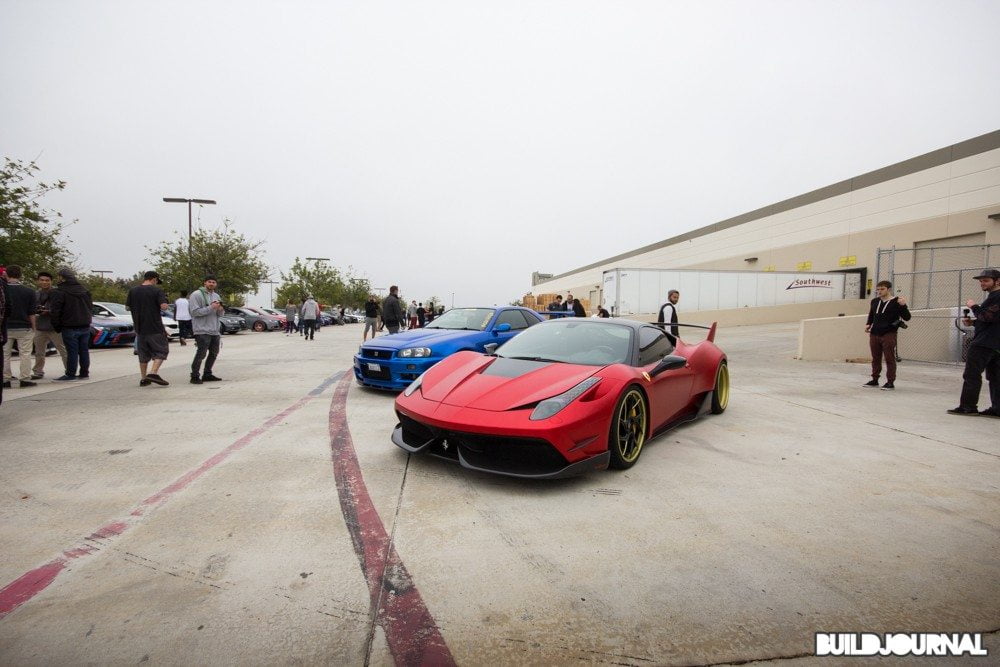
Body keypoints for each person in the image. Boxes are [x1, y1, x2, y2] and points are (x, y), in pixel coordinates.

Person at [948, 268, 1000, 416]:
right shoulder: (993, 296)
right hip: (995, 343)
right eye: (981, 281)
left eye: (986, 280)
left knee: (972, 374)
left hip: (983, 344)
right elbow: (992, 321)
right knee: (995, 377)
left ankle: (968, 406)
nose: (982, 283)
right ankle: (997, 409)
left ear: (997, 281)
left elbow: (988, 316)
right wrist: (973, 324)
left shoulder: (996, 296)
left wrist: (974, 306)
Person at [48, 267, 93, 382]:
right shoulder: (84, 290)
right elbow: (90, 307)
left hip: (69, 325)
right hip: (85, 324)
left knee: (72, 351)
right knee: (83, 350)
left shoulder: (59, 292)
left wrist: (57, 326)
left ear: (62, 278)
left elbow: (56, 310)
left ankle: (70, 374)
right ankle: (84, 373)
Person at [126, 271, 170, 387]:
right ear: (154, 279)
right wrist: (165, 300)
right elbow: (164, 307)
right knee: (161, 350)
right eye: (156, 281)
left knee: (143, 354)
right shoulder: (157, 291)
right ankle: (153, 373)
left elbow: (127, 307)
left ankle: (144, 378)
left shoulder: (133, 291)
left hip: (139, 328)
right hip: (155, 327)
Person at [863, 280, 910, 390]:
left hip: (889, 333)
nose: (879, 291)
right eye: (878, 289)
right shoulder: (875, 301)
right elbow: (872, 314)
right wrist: (868, 324)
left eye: (882, 289)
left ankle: (890, 381)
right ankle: (875, 379)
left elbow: (907, 317)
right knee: (875, 358)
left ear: (888, 289)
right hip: (875, 333)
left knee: (889, 358)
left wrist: (903, 306)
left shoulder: (896, 301)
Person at [2, 265, 39, 388]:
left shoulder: (3, 290)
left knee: (5, 354)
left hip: (5, 327)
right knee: (25, 354)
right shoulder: (29, 292)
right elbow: (31, 312)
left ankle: (5, 379)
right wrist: (34, 327)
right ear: (20, 275)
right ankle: (24, 378)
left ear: (6, 274)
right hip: (24, 326)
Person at [188, 275, 224, 384]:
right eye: (209, 282)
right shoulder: (196, 295)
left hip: (214, 330)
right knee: (201, 353)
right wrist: (211, 307)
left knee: (214, 353)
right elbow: (194, 312)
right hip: (202, 330)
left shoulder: (216, 296)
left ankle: (207, 374)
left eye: (214, 282)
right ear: (204, 283)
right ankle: (194, 375)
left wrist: (220, 309)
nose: (211, 284)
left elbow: (219, 314)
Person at [32, 271, 68, 379]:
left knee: (63, 350)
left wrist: (49, 311)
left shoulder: (57, 293)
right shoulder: (35, 294)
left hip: (55, 327)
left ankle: (69, 370)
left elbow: (63, 309)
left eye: (47, 280)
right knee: (39, 352)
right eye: (42, 280)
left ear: (51, 281)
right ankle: (38, 371)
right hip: (40, 327)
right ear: (38, 281)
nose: (44, 282)